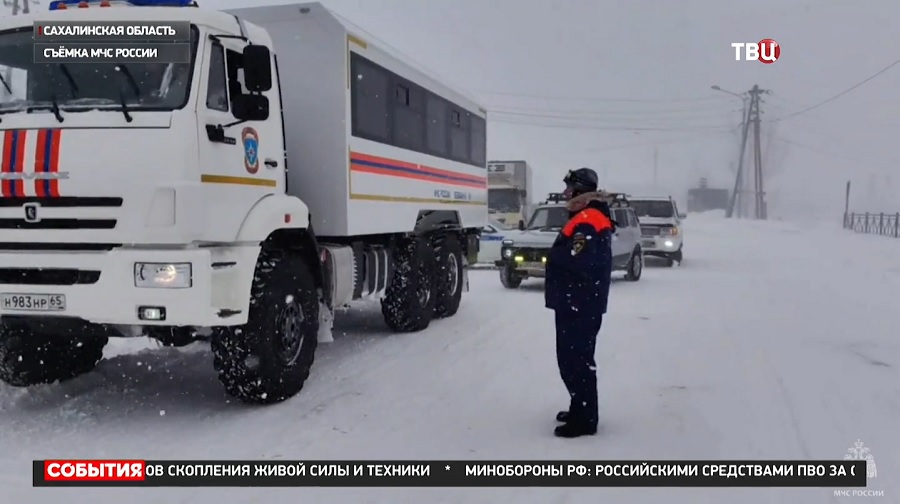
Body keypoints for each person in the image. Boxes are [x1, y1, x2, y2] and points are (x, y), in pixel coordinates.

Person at [544, 167, 614, 438]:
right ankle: (579, 407)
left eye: (569, 189)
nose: (565, 193)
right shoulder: (586, 216)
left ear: (580, 192)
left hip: (580, 301)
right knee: (574, 359)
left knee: (575, 360)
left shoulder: (588, 219)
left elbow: (580, 259)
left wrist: (554, 258)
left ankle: (585, 420)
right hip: (578, 300)